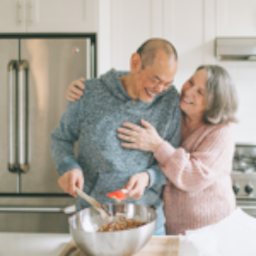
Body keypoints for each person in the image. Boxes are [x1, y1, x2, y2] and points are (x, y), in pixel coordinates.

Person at [67, 65, 238, 235]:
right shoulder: (176, 109)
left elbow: (192, 177)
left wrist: (157, 146)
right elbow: (140, 80)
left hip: (210, 227)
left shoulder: (221, 131)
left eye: (200, 92)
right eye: (191, 82)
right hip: (173, 225)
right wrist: (88, 87)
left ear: (215, 103)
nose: (189, 91)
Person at [50, 38, 181, 236]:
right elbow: (61, 138)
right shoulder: (89, 93)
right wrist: (69, 167)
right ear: (135, 63)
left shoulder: (170, 101)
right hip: (94, 222)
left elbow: (173, 162)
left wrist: (148, 177)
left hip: (148, 224)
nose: (160, 89)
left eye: (167, 83)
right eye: (156, 79)